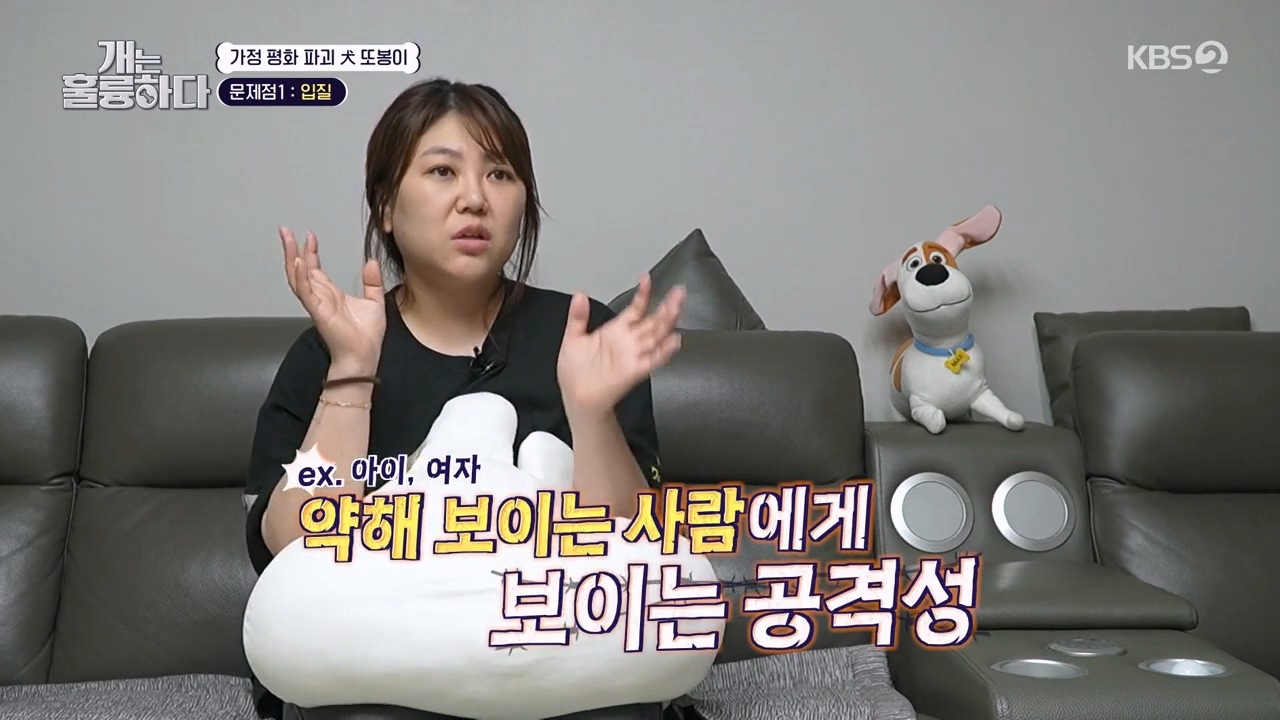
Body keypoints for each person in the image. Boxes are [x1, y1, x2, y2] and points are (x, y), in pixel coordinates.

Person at [242, 78, 686, 720]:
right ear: (386, 206)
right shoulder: (327, 350)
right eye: (442, 171)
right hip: (385, 680)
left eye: (500, 174)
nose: (475, 198)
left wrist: (591, 414)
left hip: (560, 673)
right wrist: (353, 372)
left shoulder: (585, 335)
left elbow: (634, 549)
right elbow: (291, 543)